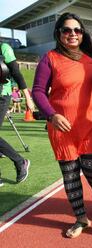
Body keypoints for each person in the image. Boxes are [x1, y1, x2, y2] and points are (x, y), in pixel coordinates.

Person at [32, 12, 92, 239]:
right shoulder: (50, 58)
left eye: (77, 30)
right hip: (62, 128)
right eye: (67, 30)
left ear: (82, 33)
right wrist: (51, 115)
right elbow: (38, 91)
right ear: (59, 34)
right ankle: (81, 218)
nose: (72, 34)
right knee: (70, 176)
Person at [0, 42, 34, 187]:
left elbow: (16, 72)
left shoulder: (4, 48)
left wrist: (27, 97)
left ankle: (21, 162)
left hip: (2, 94)